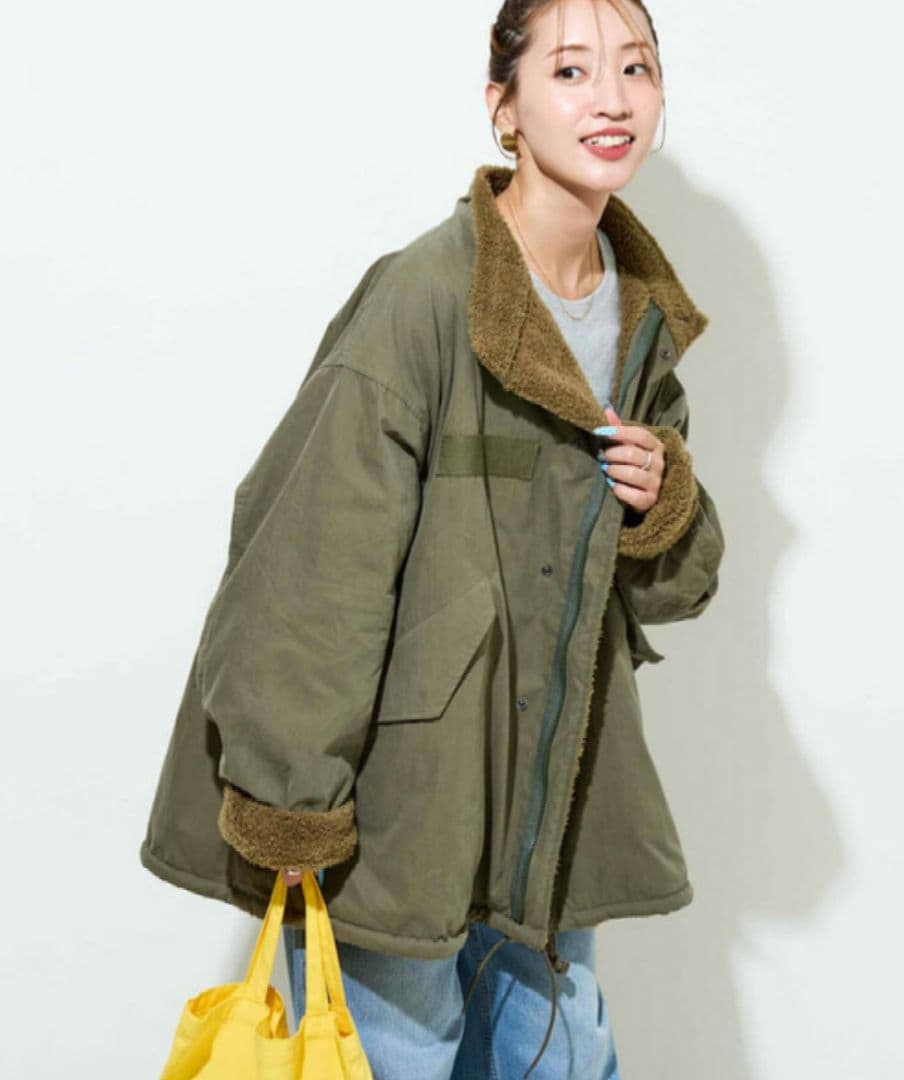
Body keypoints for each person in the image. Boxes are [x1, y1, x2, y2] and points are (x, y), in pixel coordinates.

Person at [139, 1, 725, 1077]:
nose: (611, 98)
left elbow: (667, 592)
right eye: (571, 70)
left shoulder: (641, 324)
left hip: (552, 814)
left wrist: (663, 505)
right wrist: (291, 799)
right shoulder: (421, 299)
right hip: (404, 814)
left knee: (562, 1057)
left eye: (636, 68)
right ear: (504, 107)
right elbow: (310, 563)